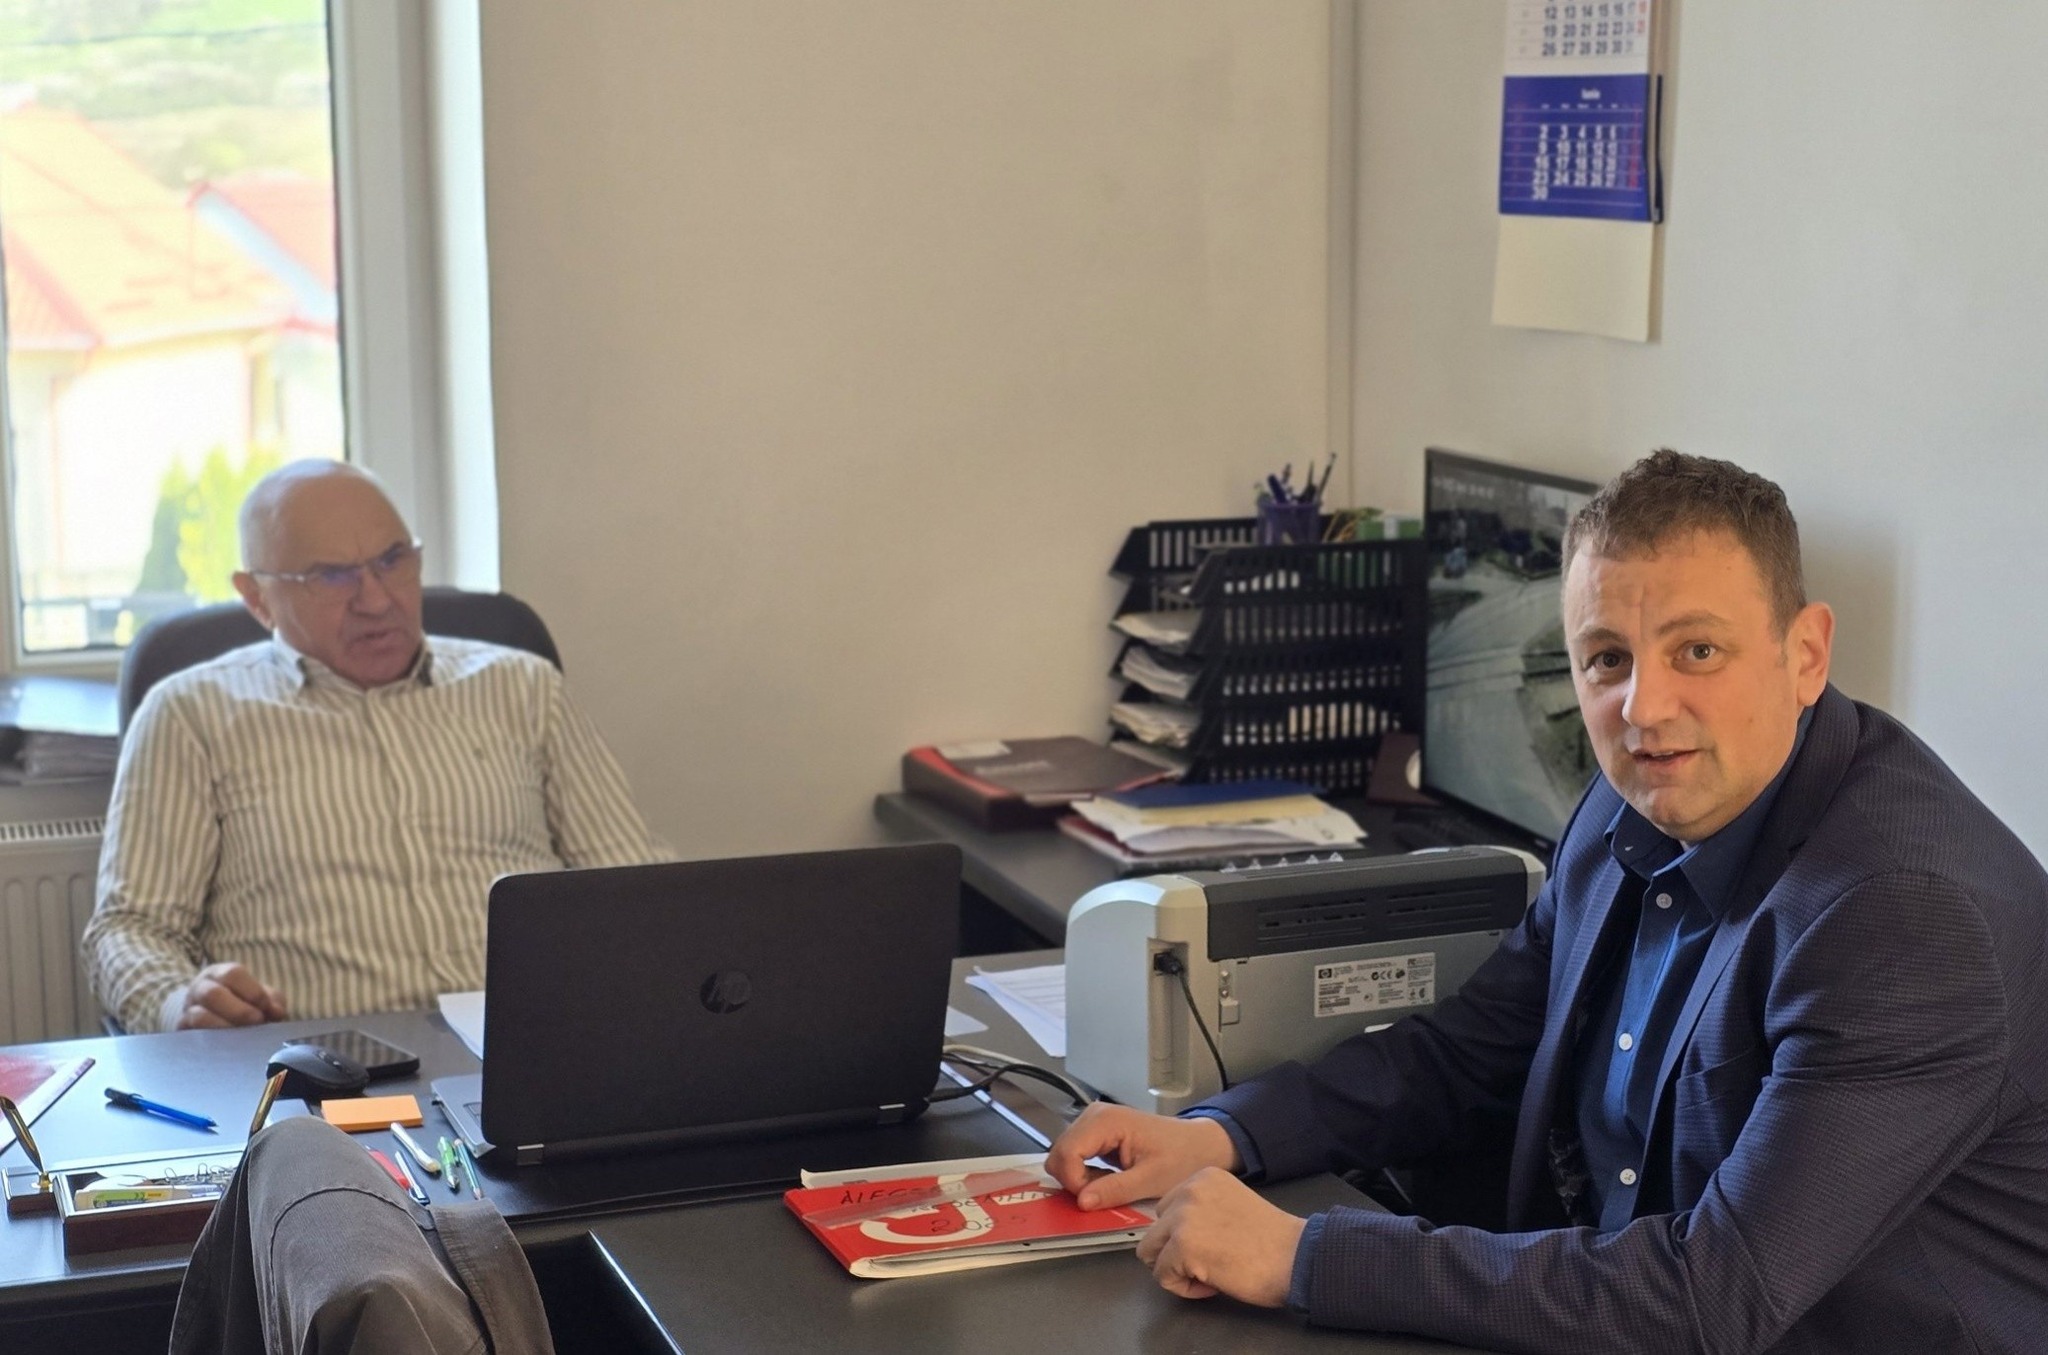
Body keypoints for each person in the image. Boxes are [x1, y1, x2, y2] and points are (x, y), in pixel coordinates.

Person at [1047, 450, 2048, 1353]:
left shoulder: (1903, 918)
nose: (1644, 707)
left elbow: (1715, 1294)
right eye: (1607, 657)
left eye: (1697, 651)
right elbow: (1466, 1051)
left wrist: (1306, 1256)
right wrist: (1225, 1132)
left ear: (1806, 653)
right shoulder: (1634, 799)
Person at [85, 460, 668, 1033]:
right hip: (325, 1063)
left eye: (392, 560)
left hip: (535, 1044)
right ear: (257, 597)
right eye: (331, 576)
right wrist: (178, 1002)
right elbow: (132, 928)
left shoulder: (525, 688)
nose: (376, 600)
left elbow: (634, 886)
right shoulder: (191, 715)